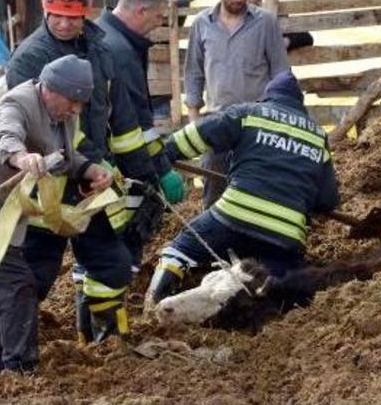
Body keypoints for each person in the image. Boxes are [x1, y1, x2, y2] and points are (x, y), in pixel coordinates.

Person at [0, 55, 112, 374]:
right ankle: (19, 369)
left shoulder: (61, 113)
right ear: (51, 89)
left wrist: (89, 169)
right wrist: (21, 158)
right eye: (73, 101)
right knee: (17, 286)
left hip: (5, 222)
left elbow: (64, 157)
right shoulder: (16, 104)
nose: (76, 110)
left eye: (81, 104)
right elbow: (5, 137)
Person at [6, 0, 138, 343]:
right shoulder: (28, 59)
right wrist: (88, 165)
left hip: (89, 188)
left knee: (112, 266)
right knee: (35, 276)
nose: (64, 24)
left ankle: (109, 343)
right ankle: (9, 349)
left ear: (87, 13)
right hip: (47, 189)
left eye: (73, 17)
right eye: (57, 16)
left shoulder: (101, 49)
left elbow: (121, 116)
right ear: (45, 10)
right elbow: (39, 130)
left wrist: (147, 168)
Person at [144, 71, 339, 308]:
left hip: (235, 215)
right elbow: (328, 199)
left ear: (268, 97)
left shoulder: (249, 113)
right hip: (285, 236)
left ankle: (153, 303)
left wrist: (163, 156)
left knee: (181, 248)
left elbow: (195, 135)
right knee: (277, 285)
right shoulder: (318, 136)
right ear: (299, 104)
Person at [184, 0, 291, 209]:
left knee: (260, 192)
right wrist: (195, 123)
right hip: (217, 123)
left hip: (258, 124)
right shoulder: (202, 24)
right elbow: (193, 74)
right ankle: (214, 234)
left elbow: (281, 75)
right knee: (214, 191)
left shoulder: (265, 23)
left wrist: (281, 121)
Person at [96, 0, 186, 268]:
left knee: (96, 253)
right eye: (159, 16)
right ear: (141, 10)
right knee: (124, 243)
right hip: (121, 166)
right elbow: (136, 123)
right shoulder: (120, 51)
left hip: (102, 163)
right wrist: (160, 172)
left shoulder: (104, 34)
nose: (159, 24)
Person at [246, 0, 314, 51]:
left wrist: (285, 42)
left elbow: (307, 37)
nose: (247, 1)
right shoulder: (239, 20)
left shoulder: (274, 16)